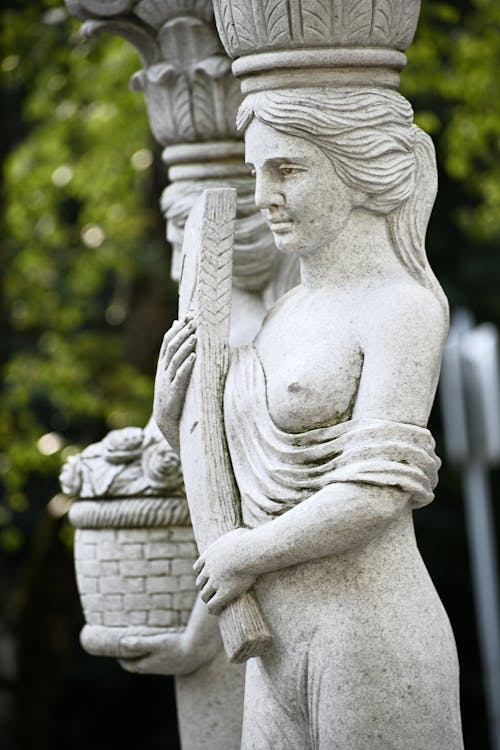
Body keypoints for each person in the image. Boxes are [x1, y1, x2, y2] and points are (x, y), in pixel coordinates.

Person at [155, 88, 464, 749]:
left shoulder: (401, 307)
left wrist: (248, 553)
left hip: (367, 638)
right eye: (257, 170)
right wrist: (172, 412)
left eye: (287, 169)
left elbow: (378, 492)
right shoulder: (284, 314)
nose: (263, 194)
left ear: (357, 170)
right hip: (273, 651)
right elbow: (228, 476)